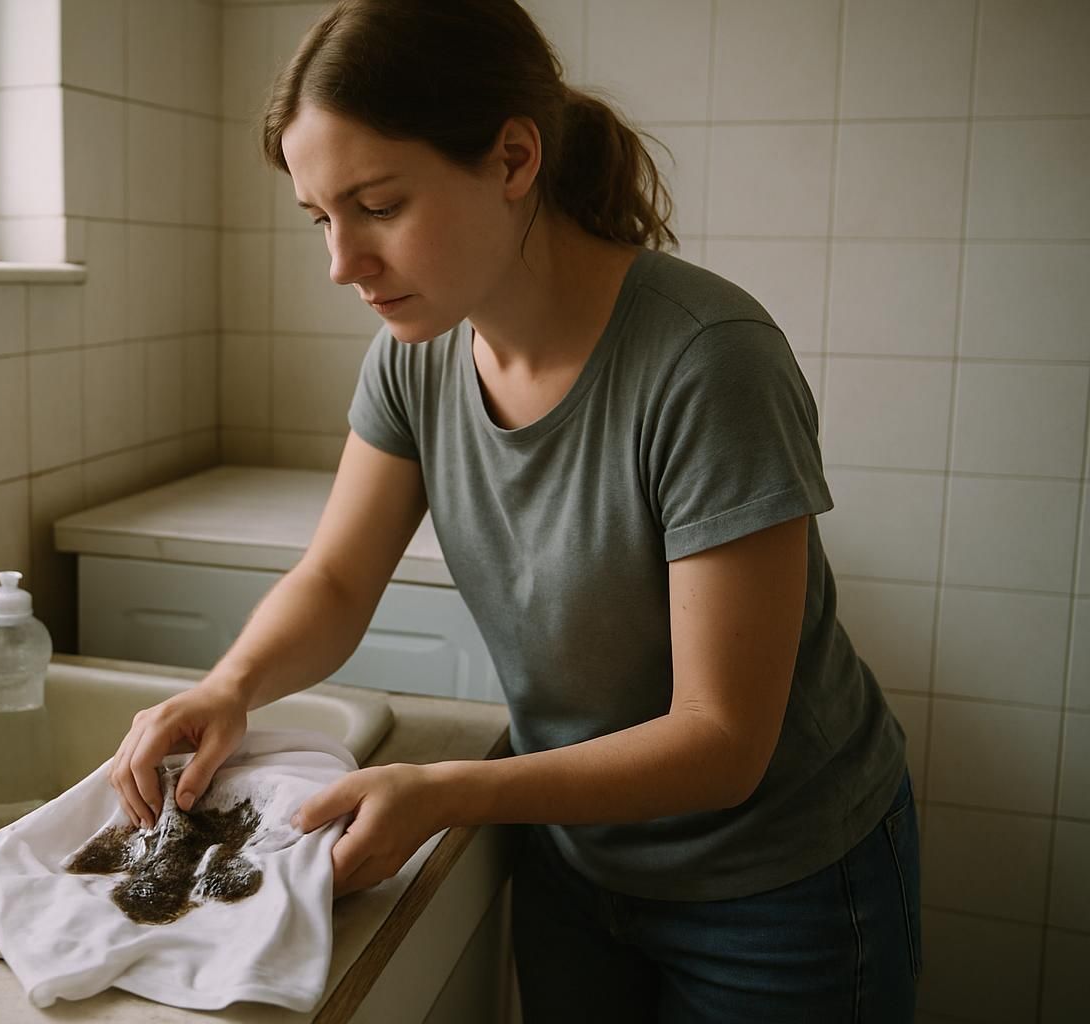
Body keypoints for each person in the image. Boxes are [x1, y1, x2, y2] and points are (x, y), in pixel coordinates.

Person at [110, 1, 921, 1019]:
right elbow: (336, 578)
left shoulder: (709, 361)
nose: (342, 263)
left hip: (782, 886)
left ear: (512, 158)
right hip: (577, 865)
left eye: (379, 205)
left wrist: (451, 791)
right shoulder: (417, 360)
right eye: (323, 217)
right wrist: (230, 686)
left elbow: (723, 739)